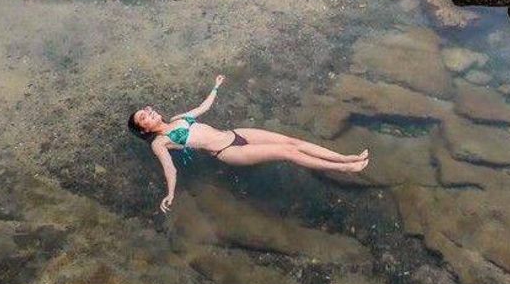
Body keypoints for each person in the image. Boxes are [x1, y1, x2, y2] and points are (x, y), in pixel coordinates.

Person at [128, 74, 369, 213]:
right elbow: (170, 168)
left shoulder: (178, 118)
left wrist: (215, 86)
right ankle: (345, 168)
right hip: (227, 151)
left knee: (292, 141)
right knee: (288, 152)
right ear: (144, 128)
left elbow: (203, 108)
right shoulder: (159, 143)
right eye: (143, 116)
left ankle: (344, 157)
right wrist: (170, 193)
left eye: (146, 109)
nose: (148, 112)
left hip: (234, 134)